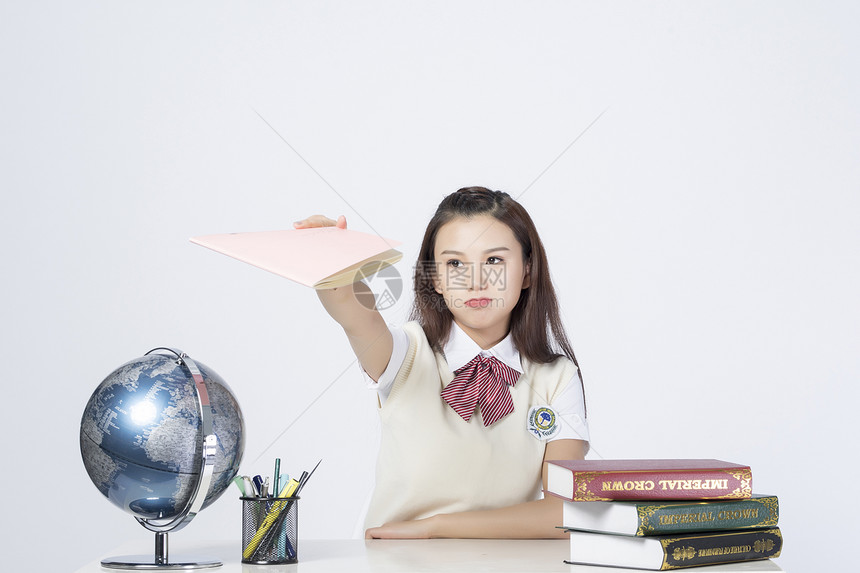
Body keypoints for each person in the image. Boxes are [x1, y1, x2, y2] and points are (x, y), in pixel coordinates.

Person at [294, 187, 589, 539]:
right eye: (454, 264)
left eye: (494, 260)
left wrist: (438, 527)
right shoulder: (406, 354)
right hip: (398, 562)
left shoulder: (557, 379)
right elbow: (359, 318)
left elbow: (564, 513)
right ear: (434, 279)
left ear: (527, 271)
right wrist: (331, 267)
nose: (476, 281)